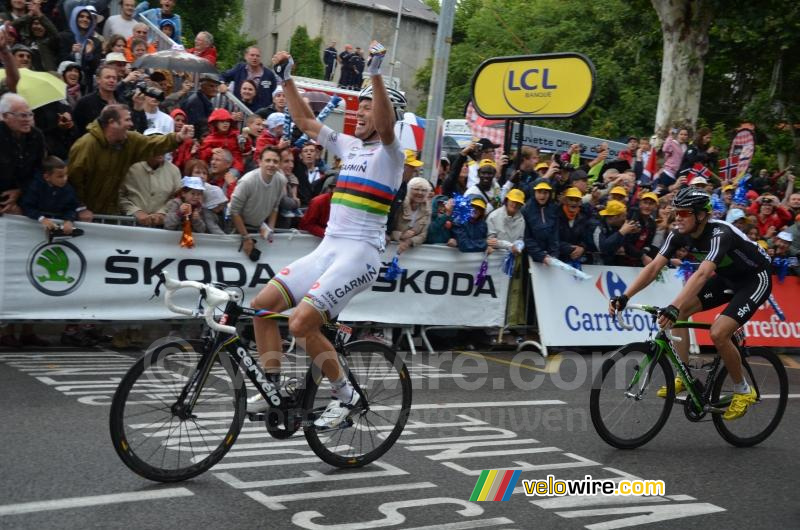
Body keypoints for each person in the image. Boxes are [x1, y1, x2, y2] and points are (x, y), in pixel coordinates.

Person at [243, 42, 407, 430]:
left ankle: (346, 396)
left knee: (300, 325)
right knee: (262, 308)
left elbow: (385, 126)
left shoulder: (392, 154)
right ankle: (274, 387)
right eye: (359, 107)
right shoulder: (348, 146)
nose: (361, 113)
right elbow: (306, 123)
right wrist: (287, 81)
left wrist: (376, 74)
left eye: (368, 108)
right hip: (329, 249)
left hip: (360, 256)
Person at [610, 187, 772, 420]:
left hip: (754, 279)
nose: (678, 218)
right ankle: (683, 376)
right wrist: (624, 297)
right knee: (682, 311)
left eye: (684, 213)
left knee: (718, 333)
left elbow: (703, 273)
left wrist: (673, 306)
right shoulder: (677, 234)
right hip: (727, 277)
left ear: (701, 215)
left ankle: (743, 390)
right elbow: (654, 266)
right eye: (677, 213)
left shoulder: (720, 233)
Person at [68, 104, 194, 214]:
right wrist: (81, 208)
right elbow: (73, 180)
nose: (131, 124)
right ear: (112, 122)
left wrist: (177, 137)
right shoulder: (86, 145)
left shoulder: (129, 140)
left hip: (110, 212)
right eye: (127, 120)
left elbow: (152, 143)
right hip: (85, 215)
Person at [118, 131, 181, 226]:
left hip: (161, 227)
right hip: (130, 224)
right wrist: (135, 211)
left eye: (163, 146)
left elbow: (177, 197)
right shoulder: (131, 167)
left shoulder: (174, 170)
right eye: (156, 146)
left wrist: (162, 212)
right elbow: (119, 195)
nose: (161, 150)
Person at [229, 146, 287, 250]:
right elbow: (234, 211)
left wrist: (270, 230)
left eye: (275, 161)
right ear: (260, 162)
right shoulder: (247, 181)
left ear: (279, 164)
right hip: (234, 225)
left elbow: (275, 207)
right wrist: (246, 238)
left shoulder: (281, 180)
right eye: (268, 160)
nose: (271, 164)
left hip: (258, 226)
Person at [0, 92, 45, 214]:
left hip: (25, 199)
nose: (27, 120)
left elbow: (40, 170)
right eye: (22, 116)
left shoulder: (36, 136)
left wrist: (20, 191)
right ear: (5, 116)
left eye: (30, 115)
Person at [21, 155, 80, 234]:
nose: (65, 179)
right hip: (34, 228)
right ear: (47, 177)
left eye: (66, 175)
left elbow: (72, 208)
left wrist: (69, 220)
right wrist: (42, 219)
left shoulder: (68, 189)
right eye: (60, 176)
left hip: (56, 227)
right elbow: (27, 207)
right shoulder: (35, 187)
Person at [220, 46, 277, 111]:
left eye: (257, 56)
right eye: (252, 55)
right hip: (240, 110)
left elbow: (274, 92)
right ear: (246, 56)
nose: (255, 58)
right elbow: (222, 76)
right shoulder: (239, 68)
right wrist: (222, 83)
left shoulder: (269, 74)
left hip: (261, 114)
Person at [389, 176, 431, 254]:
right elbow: (388, 227)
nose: (420, 193)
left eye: (424, 190)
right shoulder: (400, 204)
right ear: (409, 190)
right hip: (389, 249)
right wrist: (400, 235)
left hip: (410, 252)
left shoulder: (427, 209)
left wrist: (409, 241)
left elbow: (424, 234)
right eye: (416, 189)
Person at [522, 181, 558, 264]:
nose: (542, 196)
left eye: (545, 193)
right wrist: (541, 256)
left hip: (550, 258)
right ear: (534, 192)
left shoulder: (553, 208)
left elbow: (555, 235)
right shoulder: (526, 210)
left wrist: (554, 255)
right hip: (530, 257)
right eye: (539, 192)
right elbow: (526, 237)